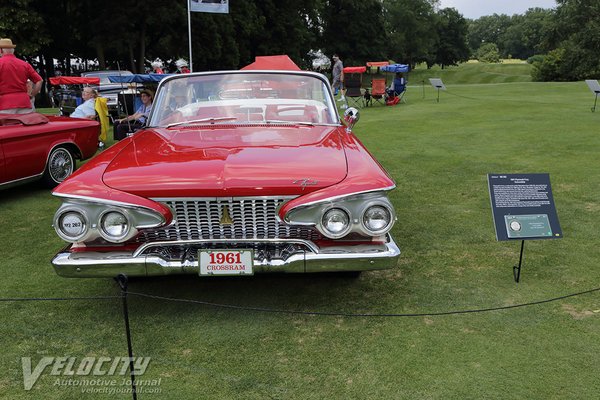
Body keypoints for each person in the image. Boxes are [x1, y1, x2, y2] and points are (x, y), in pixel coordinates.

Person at [0, 38, 43, 114]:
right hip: (25, 103)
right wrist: (32, 95)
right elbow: (40, 80)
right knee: (28, 125)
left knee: (7, 126)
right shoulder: (24, 64)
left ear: (1, 50)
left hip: (5, 104)